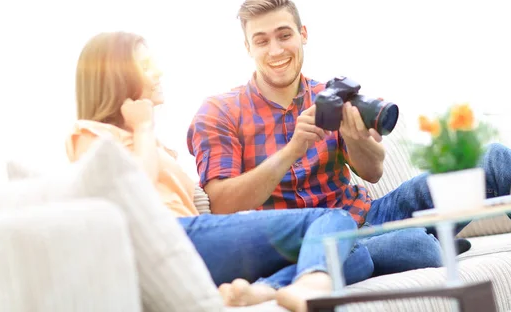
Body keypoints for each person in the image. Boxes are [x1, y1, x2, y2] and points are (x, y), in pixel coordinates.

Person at [187, 0, 511, 279]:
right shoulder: (220, 112)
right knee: (414, 247)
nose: (276, 50)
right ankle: (429, 241)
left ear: (303, 34)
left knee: (494, 160)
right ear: (247, 48)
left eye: (284, 35)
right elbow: (221, 205)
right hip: (309, 239)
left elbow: (374, 172)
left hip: (374, 216)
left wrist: (361, 141)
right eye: (262, 40)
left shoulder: (327, 94)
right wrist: (293, 149)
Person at [65, 31, 374, 312]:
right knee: (332, 220)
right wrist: (144, 127)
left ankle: (267, 291)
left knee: (355, 254)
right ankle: (310, 286)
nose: (158, 72)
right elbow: (137, 194)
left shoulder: (148, 143)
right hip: (171, 238)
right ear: (116, 76)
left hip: (195, 243)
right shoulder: (89, 133)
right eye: (146, 67)